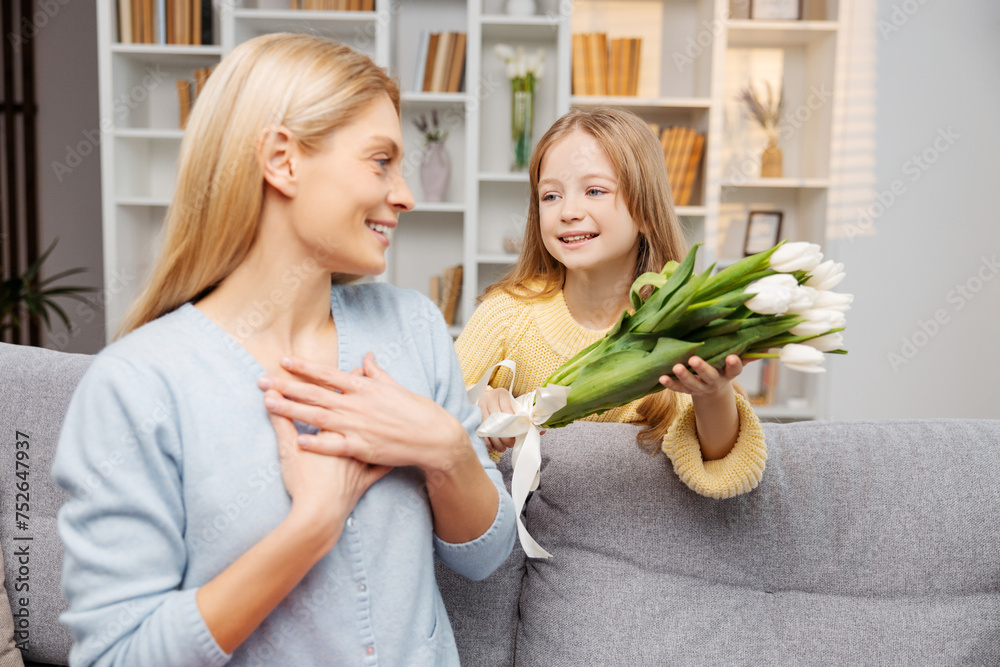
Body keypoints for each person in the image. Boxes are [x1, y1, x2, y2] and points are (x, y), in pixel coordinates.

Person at [51, 33, 515, 666]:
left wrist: (446, 450)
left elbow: (487, 557)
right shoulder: (138, 385)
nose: (406, 194)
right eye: (381, 161)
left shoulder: (412, 327)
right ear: (283, 160)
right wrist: (313, 525)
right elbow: (119, 657)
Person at [455, 107, 767, 499]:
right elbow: (431, 416)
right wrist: (475, 404)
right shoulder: (506, 315)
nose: (568, 212)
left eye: (595, 191)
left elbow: (725, 470)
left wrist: (712, 394)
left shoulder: (680, 331)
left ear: (646, 212)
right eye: (551, 195)